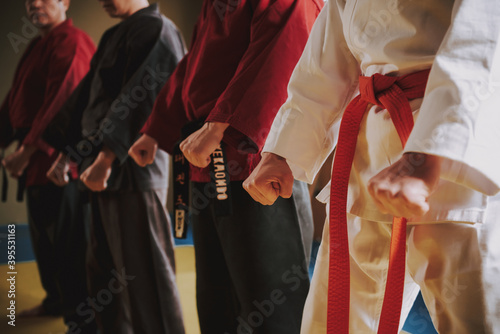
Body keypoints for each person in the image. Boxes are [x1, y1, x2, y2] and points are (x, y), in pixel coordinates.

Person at [244, 0, 500, 333]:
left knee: (475, 319)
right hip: (368, 151)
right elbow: (324, 63)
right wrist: (282, 151)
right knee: (335, 318)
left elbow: (485, 41)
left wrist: (428, 154)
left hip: (459, 149)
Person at [128, 0, 323, 332]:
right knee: (216, 296)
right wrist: (157, 127)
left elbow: (283, 53)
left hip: (254, 163)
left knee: (270, 302)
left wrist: (219, 125)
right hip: (206, 162)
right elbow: (197, 66)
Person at [43, 0, 186, 332]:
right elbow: (85, 102)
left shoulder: (157, 30)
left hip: (135, 171)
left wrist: (107, 157)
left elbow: (143, 96)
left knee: (144, 276)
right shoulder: (113, 35)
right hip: (101, 169)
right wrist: (69, 154)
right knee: (105, 274)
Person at [0, 0, 96, 330]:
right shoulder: (37, 46)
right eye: (29, 1)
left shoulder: (73, 42)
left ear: (64, 2)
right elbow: (15, 101)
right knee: (44, 241)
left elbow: (63, 103)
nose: (35, 5)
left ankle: (81, 317)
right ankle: (55, 301)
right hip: (33, 165)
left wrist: (26, 152)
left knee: (70, 244)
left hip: (60, 162)